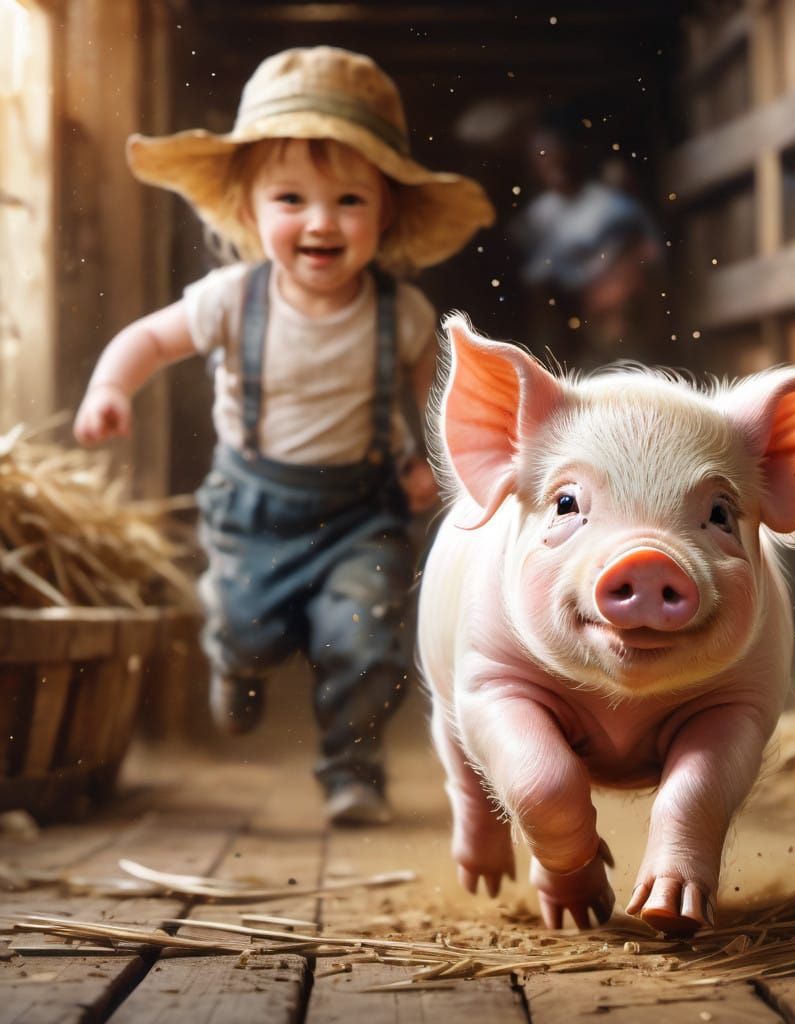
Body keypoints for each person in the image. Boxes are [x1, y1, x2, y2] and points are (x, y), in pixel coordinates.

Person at [73, 46, 495, 826]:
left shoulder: (399, 314)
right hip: (252, 512)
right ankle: (236, 664)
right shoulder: (231, 298)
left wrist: (427, 461)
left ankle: (353, 770)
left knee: (365, 640)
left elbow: (431, 397)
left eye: (349, 201)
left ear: (388, 212)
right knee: (248, 628)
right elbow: (149, 341)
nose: (321, 222)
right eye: (292, 198)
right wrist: (109, 388)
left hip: (361, 511)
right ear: (249, 210)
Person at [513, 104, 664, 367]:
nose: (550, 161)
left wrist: (611, 290)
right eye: (541, 155)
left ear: (573, 152)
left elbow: (646, 259)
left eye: (556, 152)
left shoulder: (615, 209)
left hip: (617, 326)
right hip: (566, 335)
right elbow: (535, 281)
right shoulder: (535, 219)